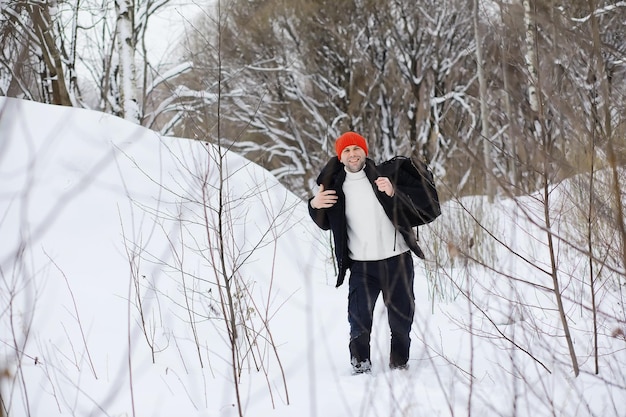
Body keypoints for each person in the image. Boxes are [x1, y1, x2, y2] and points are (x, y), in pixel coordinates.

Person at [308, 131, 425, 374]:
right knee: (359, 318)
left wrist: (394, 193)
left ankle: (399, 362)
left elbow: (416, 208)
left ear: (365, 151)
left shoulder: (385, 176)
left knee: (402, 318)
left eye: (356, 149)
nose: (352, 154)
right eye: (347, 150)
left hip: (398, 261)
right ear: (340, 157)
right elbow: (325, 221)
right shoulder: (335, 187)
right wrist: (313, 205)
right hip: (362, 266)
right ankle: (360, 364)